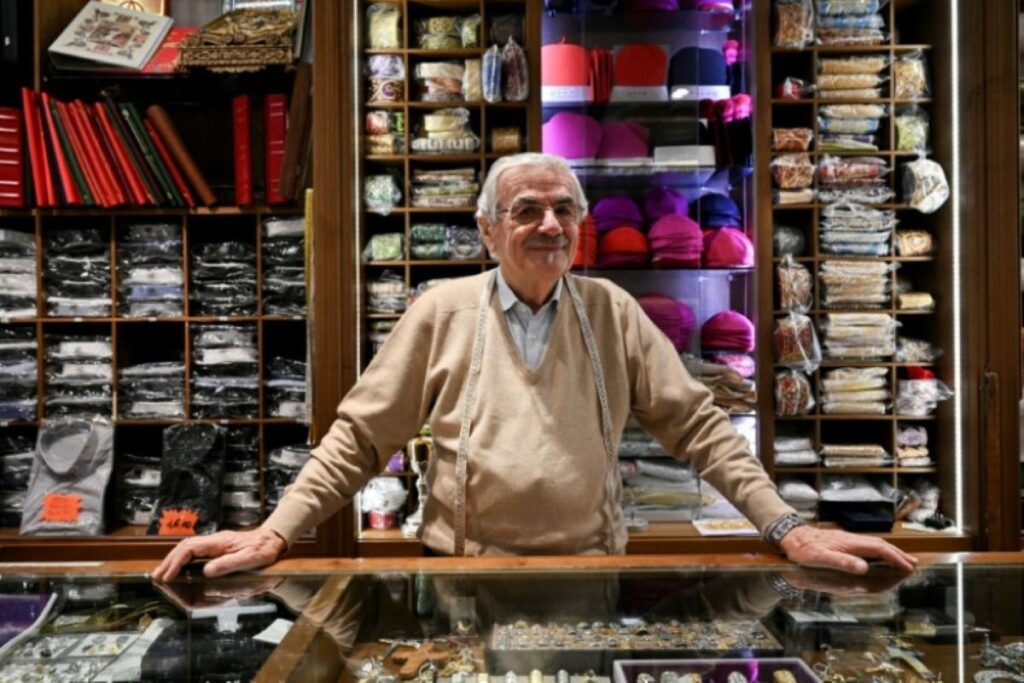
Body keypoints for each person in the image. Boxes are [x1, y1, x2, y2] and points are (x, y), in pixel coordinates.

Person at [153, 153, 917, 582]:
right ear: (489, 229)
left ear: (581, 226)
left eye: (564, 209)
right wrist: (275, 534)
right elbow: (358, 437)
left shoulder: (612, 310)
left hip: (589, 574)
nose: (549, 224)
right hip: (459, 576)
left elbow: (700, 428)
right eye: (526, 210)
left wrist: (786, 527)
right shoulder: (441, 310)